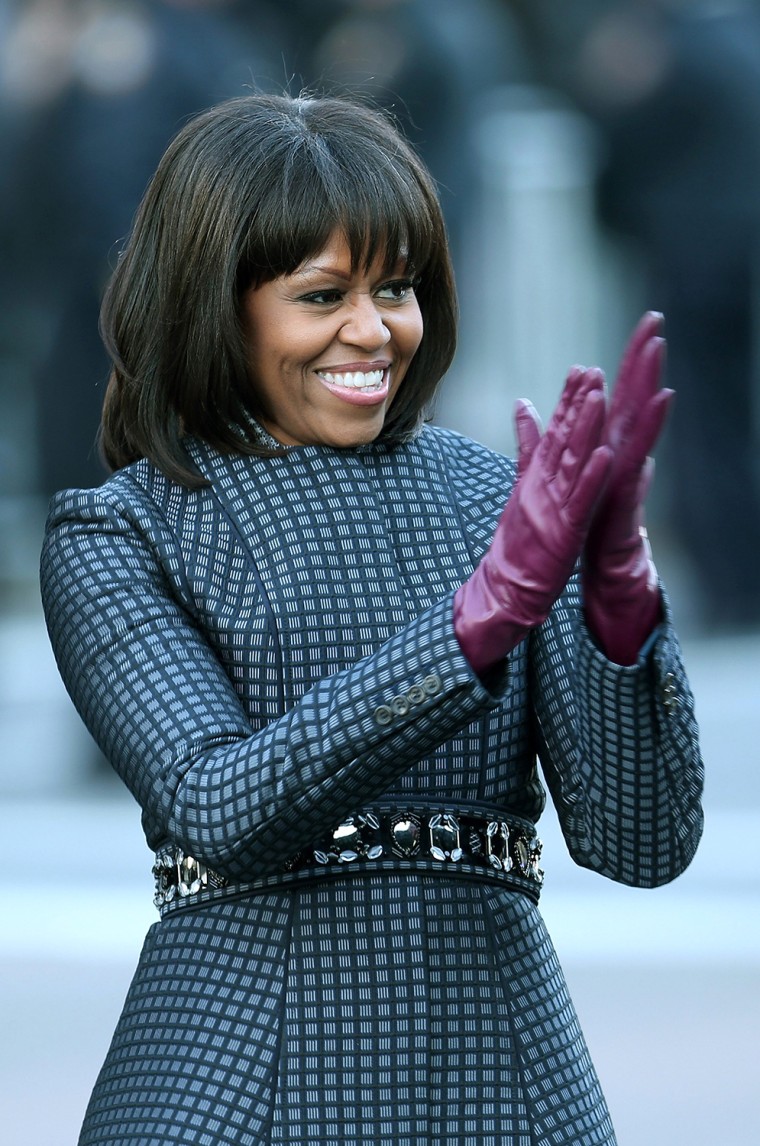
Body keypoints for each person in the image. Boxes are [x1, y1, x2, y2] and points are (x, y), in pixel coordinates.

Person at [40, 92, 704, 1146]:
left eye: (395, 286)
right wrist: (474, 625)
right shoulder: (120, 532)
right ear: (217, 305)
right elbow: (218, 804)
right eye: (321, 295)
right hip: (232, 1086)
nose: (373, 329)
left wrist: (618, 608)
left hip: (509, 1088)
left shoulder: (505, 504)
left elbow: (639, 844)